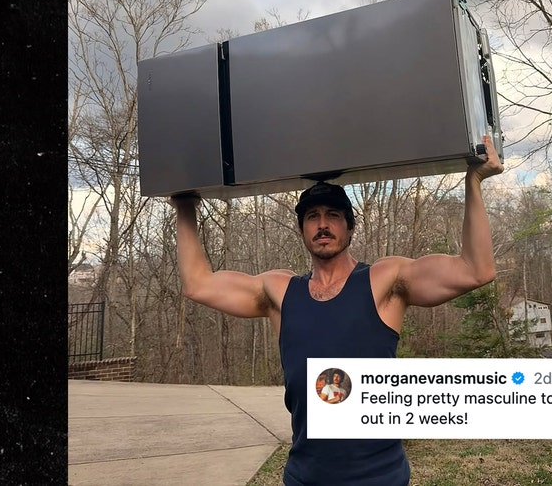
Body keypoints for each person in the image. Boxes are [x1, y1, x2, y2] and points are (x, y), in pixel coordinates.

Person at [171, 135, 503, 486]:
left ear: (350, 226)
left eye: (333, 215)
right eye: (312, 217)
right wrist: (184, 204)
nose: (322, 224)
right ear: (302, 229)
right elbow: (198, 284)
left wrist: (474, 181)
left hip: (379, 478)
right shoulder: (280, 291)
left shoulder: (385, 280)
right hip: (305, 477)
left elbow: (476, 270)